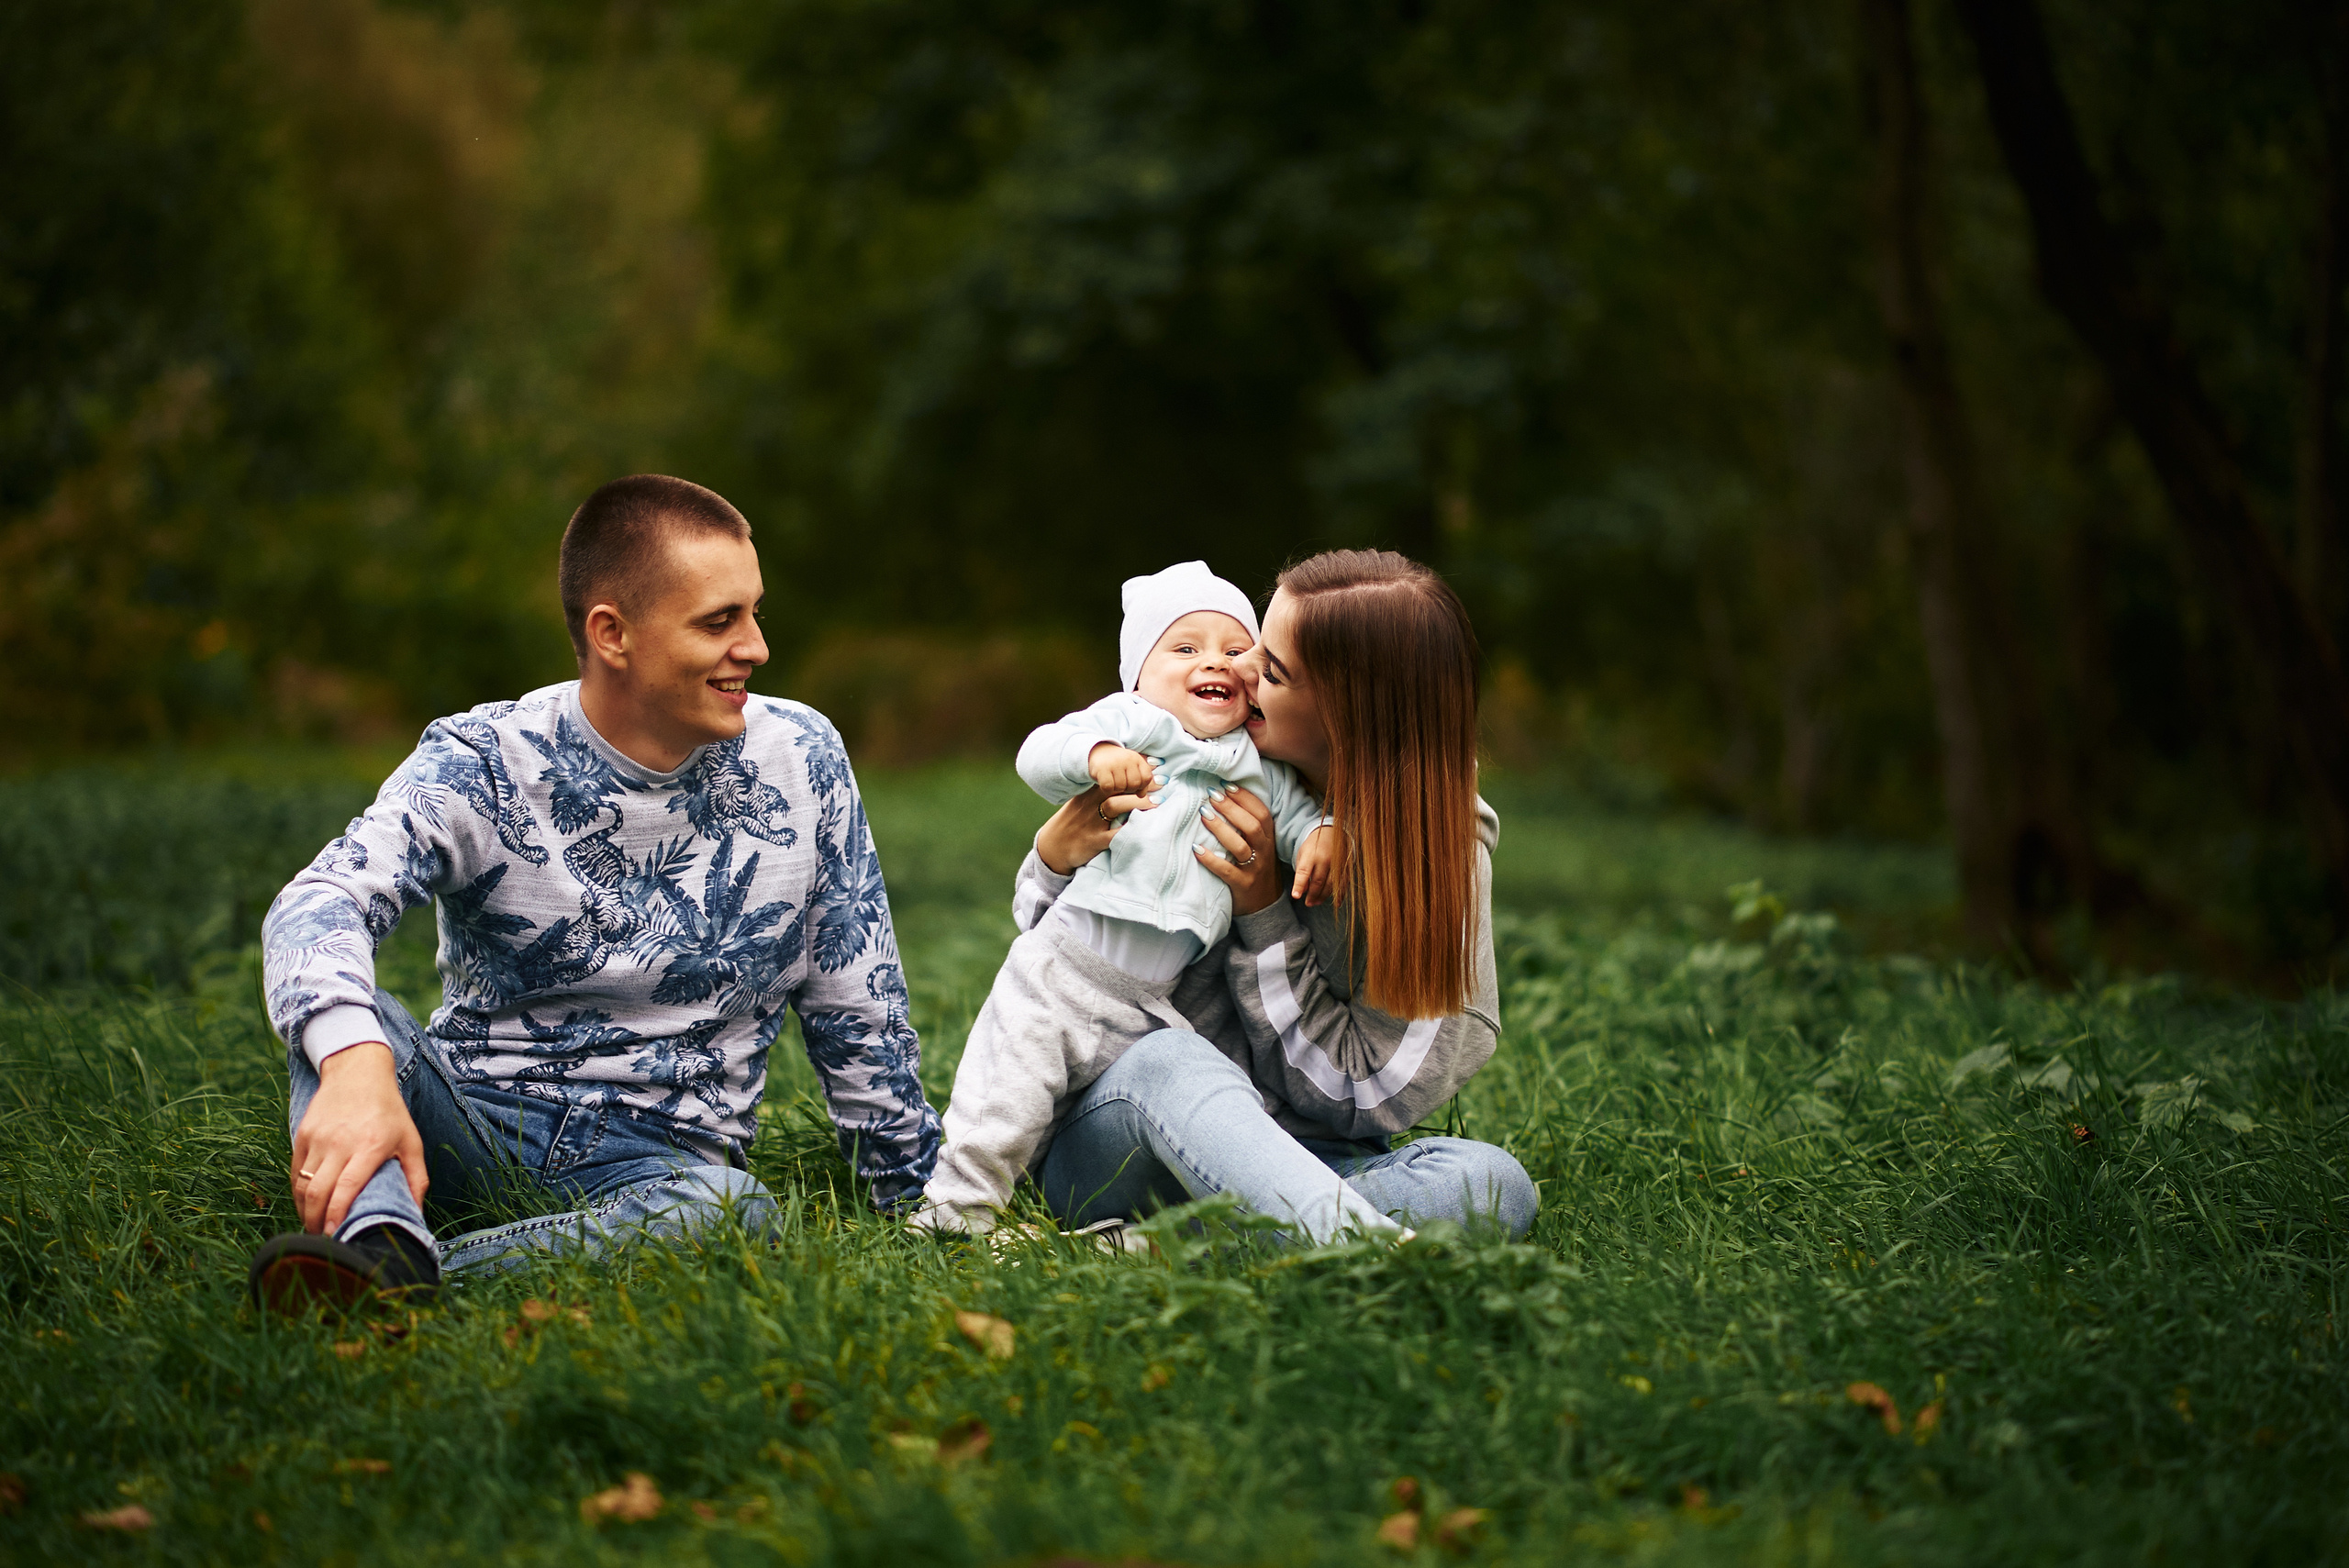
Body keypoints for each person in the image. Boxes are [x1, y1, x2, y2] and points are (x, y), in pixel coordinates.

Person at [246, 475, 941, 1311]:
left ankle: (395, 1281)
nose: (756, 646)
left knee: (734, 1213)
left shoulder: (802, 755)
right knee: (350, 1024)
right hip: (469, 1120)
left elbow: (855, 998)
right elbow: (320, 900)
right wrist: (356, 1065)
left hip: (665, 1162)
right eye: (719, 621)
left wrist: (919, 1194)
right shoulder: (483, 759)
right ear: (613, 633)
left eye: (756, 613)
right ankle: (377, 1233)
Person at [1017, 549, 1537, 1244]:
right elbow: (1056, 968)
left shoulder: (1437, 861)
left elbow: (1370, 1095)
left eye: (1273, 669)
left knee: (1491, 1184)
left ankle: (1162, 1248)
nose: (1238, 668)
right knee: (1175, 1058)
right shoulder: (1194, 757)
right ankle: (1367, 1247)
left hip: (1307, 1151)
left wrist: (1263, 913)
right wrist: (1053, 858)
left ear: (1347, 712)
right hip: (1126, 1133)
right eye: (1256, 645)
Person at [917, 562, 1341, 1233]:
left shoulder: (1260, 768)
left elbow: (1296, 820)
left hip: (1155, 1003)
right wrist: (1094, 753)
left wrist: (1323, 834)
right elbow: (1040, 751)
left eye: (1235, 649)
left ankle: (1141, 1214)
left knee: (1178, 1097)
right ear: (1138, 676)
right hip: (1063, 972)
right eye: (1185, 647)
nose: (1214, 661)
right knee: (1006, 1096)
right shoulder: (1132, 722)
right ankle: (955, 1212)